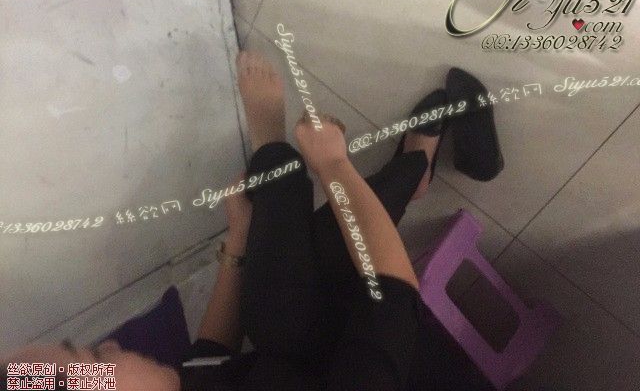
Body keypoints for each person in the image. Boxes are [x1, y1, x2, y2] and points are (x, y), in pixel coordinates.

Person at [1, 51, 494, 390]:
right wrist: (334, 167)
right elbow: (392, 294)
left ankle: (341, 163)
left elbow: (207, 361)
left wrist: (237, 241)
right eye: (95, 362)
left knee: (276, 312)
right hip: (402, 360)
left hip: (301, 360)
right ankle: (402, 171)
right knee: (303, 279)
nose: (110, 345)